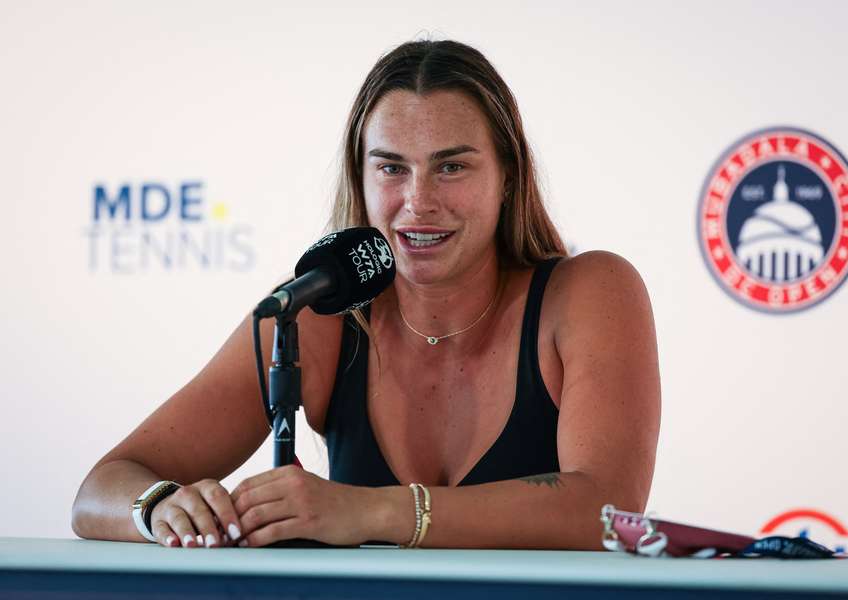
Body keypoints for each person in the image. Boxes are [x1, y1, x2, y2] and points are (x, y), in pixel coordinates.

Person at [71, 39, 661, 550]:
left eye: (451, 168)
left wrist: (368, 511)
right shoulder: (319, 313)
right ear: (361, 176)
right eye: (391, 168)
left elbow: (609, 509)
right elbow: (101, 489)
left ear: (508, 176)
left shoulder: (587, 292)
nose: (419, 201)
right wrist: (158, 508)